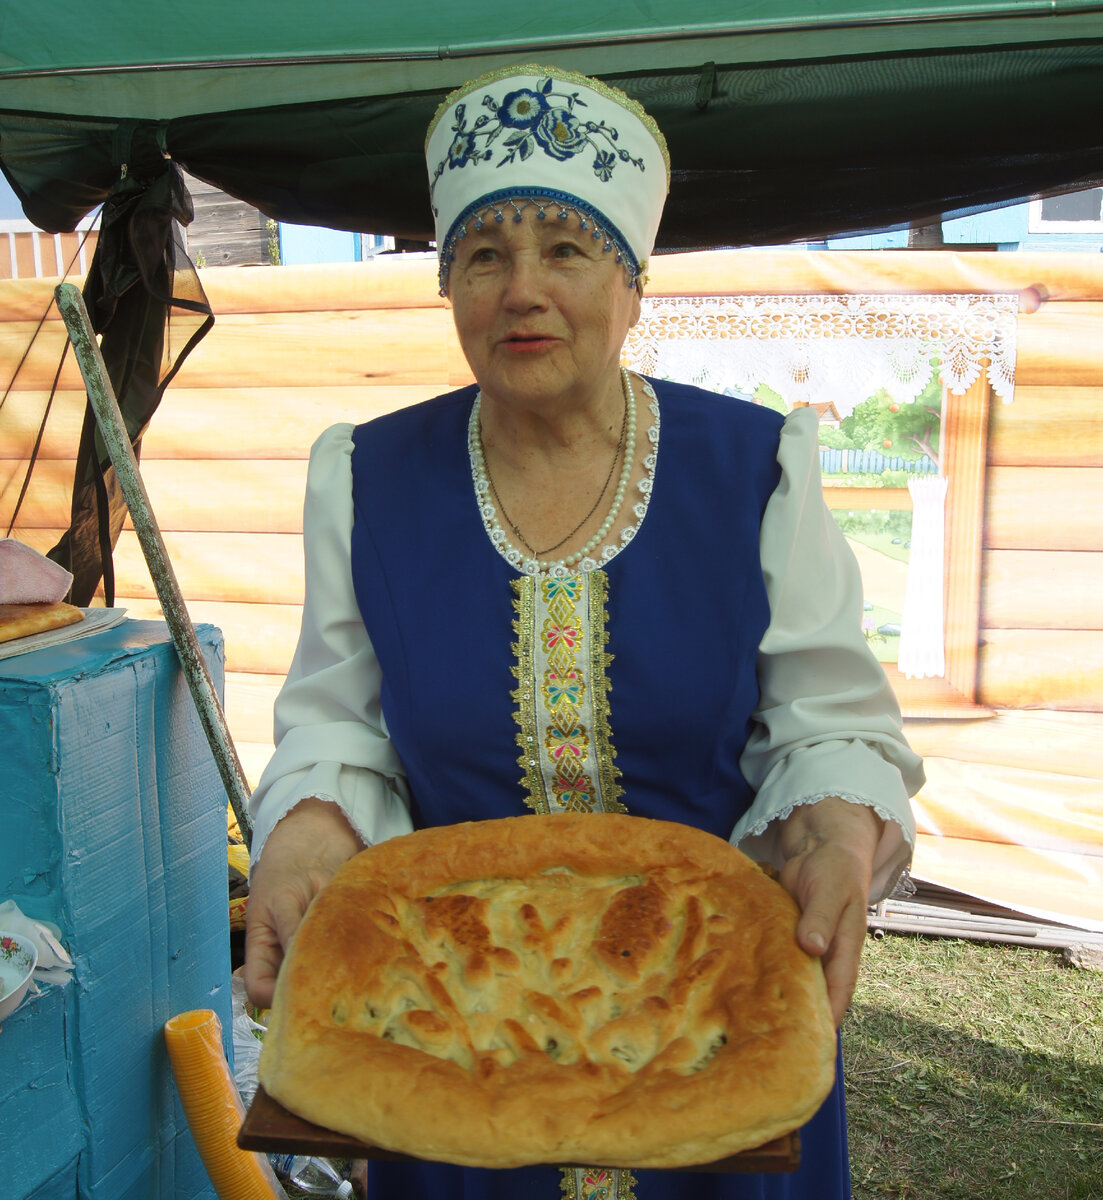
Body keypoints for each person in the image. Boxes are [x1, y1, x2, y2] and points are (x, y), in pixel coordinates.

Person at [244, 64, 925, 1200]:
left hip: (714, 984)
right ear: (447, 287)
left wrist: (835, 829)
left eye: (565, 249)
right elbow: (337, 723)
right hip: (447, 1004)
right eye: (482, 255)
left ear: (631, 283)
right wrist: (307, 833)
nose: (522, 291)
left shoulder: (753, 469)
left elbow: (825, 720)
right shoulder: (363, 480)